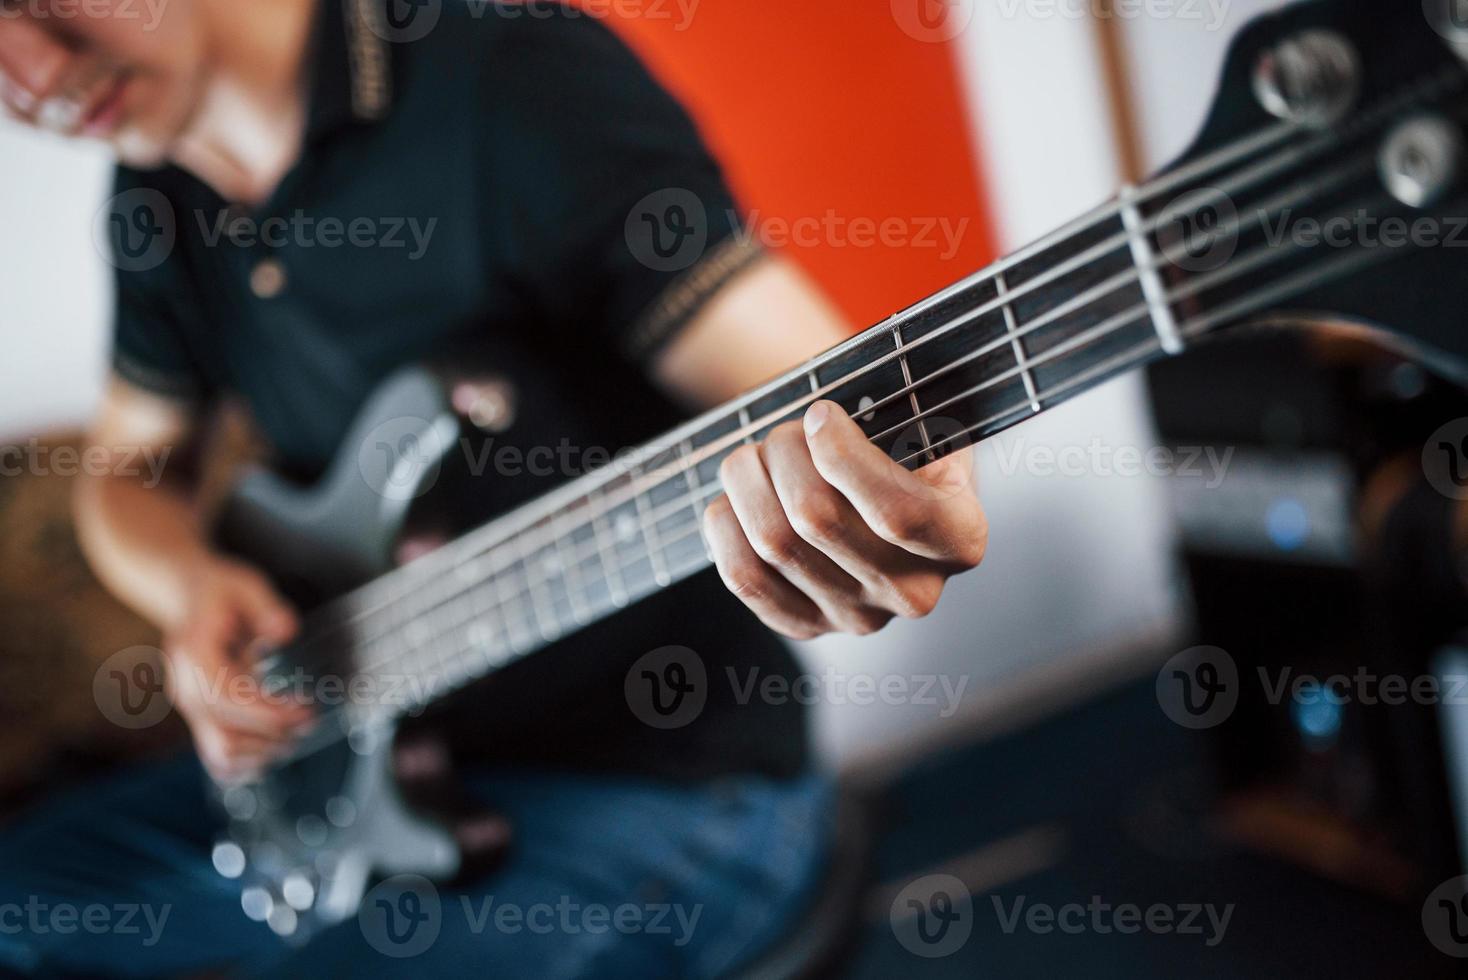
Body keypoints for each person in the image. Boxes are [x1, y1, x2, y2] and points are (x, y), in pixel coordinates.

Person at [0, 0, 987, 975]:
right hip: (355, 762)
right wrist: (187, 584)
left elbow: (803, 389)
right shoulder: (152, 195)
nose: (32, 76)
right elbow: (125, 474)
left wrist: (887, 473)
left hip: (668, 784)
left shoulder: (511, 71)